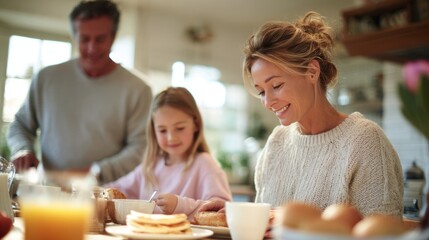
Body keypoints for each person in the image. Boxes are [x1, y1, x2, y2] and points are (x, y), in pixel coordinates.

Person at [200, 11, 403, 217]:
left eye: (276, 85)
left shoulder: (365, 142)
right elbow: (265, 222)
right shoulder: (276, 143)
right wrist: (231, 213)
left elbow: (383, 232)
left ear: (312, 71)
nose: (268, 102)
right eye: (261, 91)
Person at [6, 0, 153, 184]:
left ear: (113, 37)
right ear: (74, 37)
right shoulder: (46, 79)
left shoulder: (138, 90)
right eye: (84, 39)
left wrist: (95, 171)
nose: (92, 48)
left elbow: (141, 148)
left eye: (100, 39)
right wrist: (23, 150)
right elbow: (20, 125)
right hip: (48, 191)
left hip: (106, 194)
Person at [104, 87, 232, 219]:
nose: (171, 137)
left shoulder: (205, 164)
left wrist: (180, 205)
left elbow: (221, 210)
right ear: (154, 131)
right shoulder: (150, 166)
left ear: (196, 125)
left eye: (180, 128)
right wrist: (92, 192)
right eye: (163, 130)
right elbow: (116, 189)